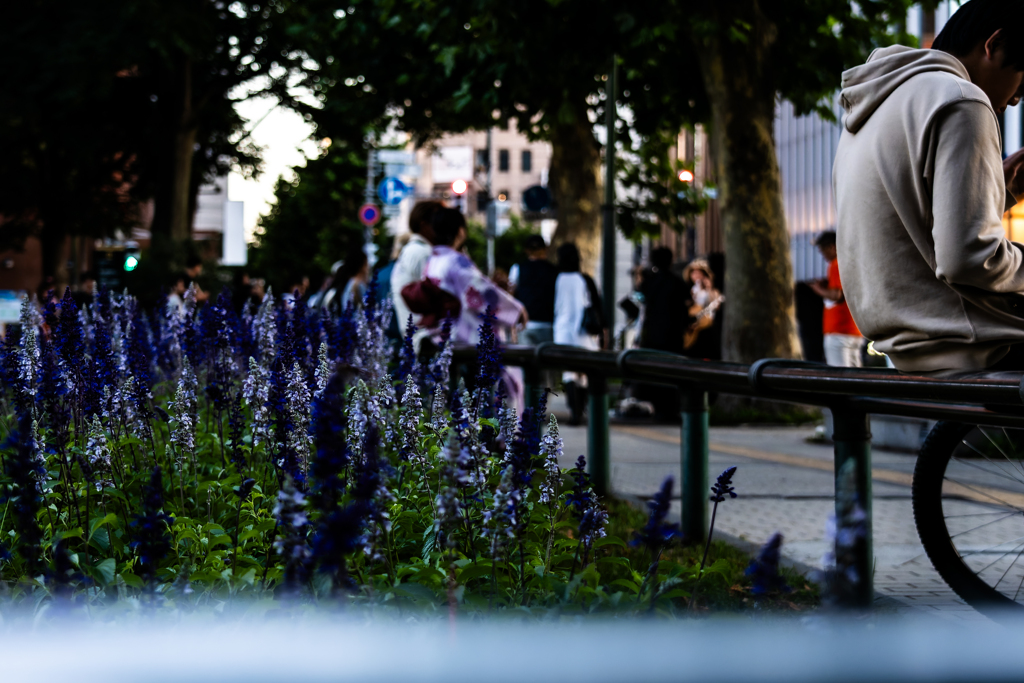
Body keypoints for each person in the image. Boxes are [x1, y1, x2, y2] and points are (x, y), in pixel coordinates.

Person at [834, 0, 1024, 375]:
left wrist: (1001, 189)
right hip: (973, 340)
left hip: (904, 341)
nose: (1017, 99)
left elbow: (914, 223)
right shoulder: (964, 100)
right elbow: (968, 257)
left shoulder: (876, 105)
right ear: (994, 44)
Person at [416, 208, 526, 345]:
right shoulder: (455, 260)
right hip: (459, 334)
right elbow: (479, 291)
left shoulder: (432, 260)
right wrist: (516, 311)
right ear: (461, 232)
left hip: (438, 331)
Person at [554, 243, 600, 425]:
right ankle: (583, 408)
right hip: (584, 332)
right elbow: (596, 305)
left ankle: (574, 412)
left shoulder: (557, 279)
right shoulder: (585, 279)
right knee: (584, 373)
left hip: (563, 331)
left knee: (569, 373)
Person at [809, 232, 862, 367]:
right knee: (857, 377)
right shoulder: (851, 263)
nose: (823, 256)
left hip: (838, 330)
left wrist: (817, 289)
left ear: (832, 247)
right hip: (855, 330)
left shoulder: (836, 264)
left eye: (823, 251)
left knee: (841, 377)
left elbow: (837, 296)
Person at [392, 200, 443, 342]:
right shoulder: (421, 252)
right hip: (425, 337)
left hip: (418, 336)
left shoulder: (413, 249)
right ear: (424, 225)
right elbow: (440, 294)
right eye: (438, 220)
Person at [510, 234, 558, 348]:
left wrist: (512, 327)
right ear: (545, 249)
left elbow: (510, 297)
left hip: (525, 325)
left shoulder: (517, 268)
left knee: (525, 362)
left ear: (527, 250)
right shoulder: (554, 271)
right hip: (548, 325)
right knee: (546, 363)